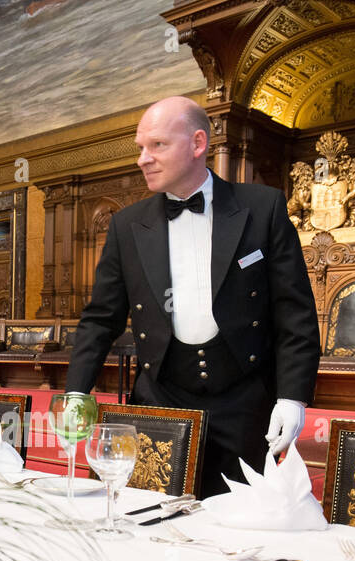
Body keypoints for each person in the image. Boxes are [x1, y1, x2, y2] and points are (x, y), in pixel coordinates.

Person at [65, 96, 320, 497]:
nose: (143, 159)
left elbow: (295, 313)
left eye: (157, 145)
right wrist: (77, 390)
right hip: (160, 397)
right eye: (140, 148)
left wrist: (293, 397)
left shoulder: (262, 208)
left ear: (198, 143)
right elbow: (101, 317)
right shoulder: (127, 225)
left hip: (244, 403)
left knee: (238, 533)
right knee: (141, 519)